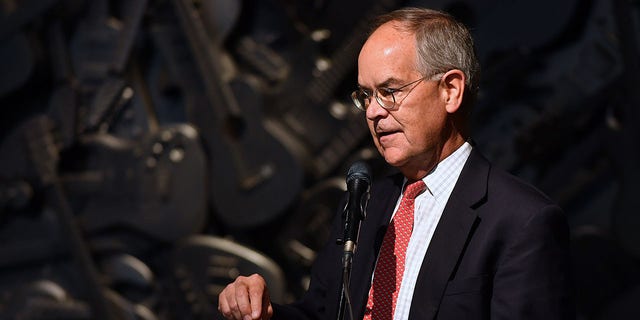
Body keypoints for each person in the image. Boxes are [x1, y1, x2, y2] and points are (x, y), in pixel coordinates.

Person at [218, 7, 574, 320]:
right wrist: (264, 314)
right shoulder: (364, 203)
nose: (373, 111)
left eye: (390, 91)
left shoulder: (522, 222)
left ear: (450, 90)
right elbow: (322, 313)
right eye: (365, 95)